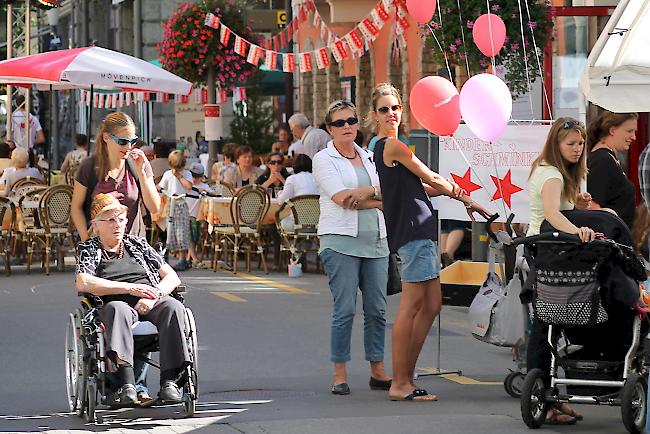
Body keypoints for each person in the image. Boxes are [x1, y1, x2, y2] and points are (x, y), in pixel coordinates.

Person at [369, 83, 490, 402]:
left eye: (395, 107)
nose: (392, 113)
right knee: (411, 307)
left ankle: (406, 375)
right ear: (375, 116)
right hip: (413, 231)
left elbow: (421, 187)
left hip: (419, 228)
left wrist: (456, 194)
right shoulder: (391, 146)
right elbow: (432, 178)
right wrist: (467, 198)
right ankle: (401, 383)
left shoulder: (387, 149)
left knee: (432, 304)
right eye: (384, 109)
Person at [75, 193, 191, 404]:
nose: (117, 224)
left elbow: (172, 276)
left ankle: (170, 383)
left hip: (150, 299)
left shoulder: (138, 244)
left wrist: (155, 294)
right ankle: (127, 385)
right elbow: (84, 282)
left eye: (120, 219)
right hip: (116, 303)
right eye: (110, 220)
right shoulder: (89, 249)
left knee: (173, 307)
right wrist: (130, 288)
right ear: (96, 225)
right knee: (117, 309)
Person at [313, 100, 391, 396]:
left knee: (378, 310)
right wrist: (377, 198)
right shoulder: (323, 159)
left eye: (351, 120)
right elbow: (343, 198)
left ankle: (377, 369)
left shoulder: (371, 157)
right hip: (340, 242)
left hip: (377, 241)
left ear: (358, 124)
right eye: (339, 123)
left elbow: (387, 193)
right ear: (329, 129)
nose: (347, 126)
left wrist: (367, 193)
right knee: (344, 310)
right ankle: (339, 373)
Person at [525, 117, 594, 424]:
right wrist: (579, 230)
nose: (578, 149)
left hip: (549, 257)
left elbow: (556, 208)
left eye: (581, 144)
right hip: (550, 258)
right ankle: (546, 403)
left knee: (549, 328)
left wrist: (576, 202)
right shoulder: (552, 174)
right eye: (571, 144)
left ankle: (550, 397)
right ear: (557, 144)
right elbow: (552, 215)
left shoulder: (551, 170)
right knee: (546, 329)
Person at [72, 112, 160, 242]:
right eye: (123, 142)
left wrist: (141, 173)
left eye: (133, 141)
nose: (129, 147)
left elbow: (154, 207)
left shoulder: (138, 162)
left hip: (133, 246)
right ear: (106, 137)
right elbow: (76, 207)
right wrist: (86, 239)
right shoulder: (89, 166)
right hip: (100, 249)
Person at [586, 111, 638, 229]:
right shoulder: (602, 160)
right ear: (612, 130)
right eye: (629, 131)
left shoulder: (608, 158)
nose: (634, 137)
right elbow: (592, 206)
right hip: (611, 242)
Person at [158, 150, 193, 271]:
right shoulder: (168, 174)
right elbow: (162, 186)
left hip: (181, 204)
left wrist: (179, 176)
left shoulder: (186, 174)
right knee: (169, 231)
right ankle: (167, 254)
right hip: (169, 203)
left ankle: (182, 258)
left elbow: (188, 186)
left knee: (181, 231)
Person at [186, 162, 213, 268]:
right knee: (190, 237)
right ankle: (195, 259)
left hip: (198, 215)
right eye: (192, 176)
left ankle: (190, 258)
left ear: (202, 177)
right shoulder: (187, 185)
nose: (194, 179)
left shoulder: (204, 186)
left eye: (197, 177)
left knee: (196, 236)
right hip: (187, 214)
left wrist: (207, 192)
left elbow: (212, 194)